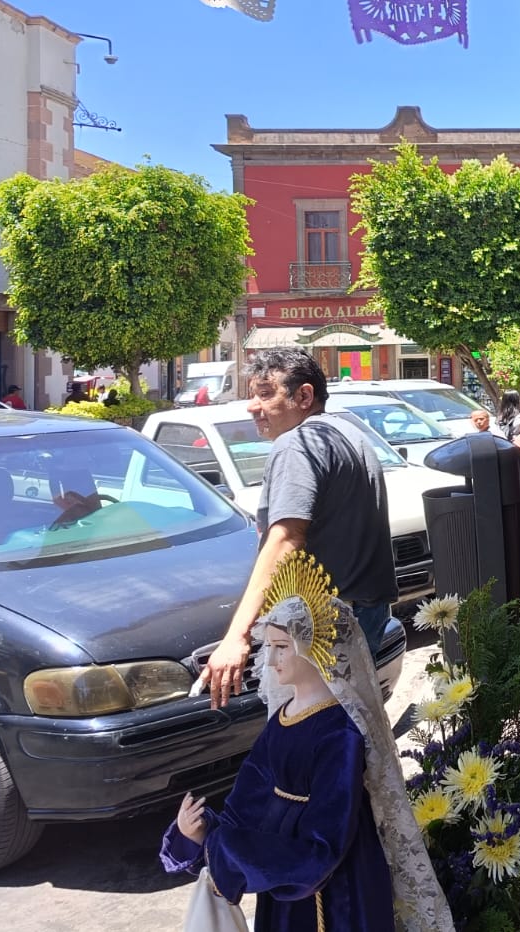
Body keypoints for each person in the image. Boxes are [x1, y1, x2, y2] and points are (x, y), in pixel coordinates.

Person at [161, 551, 451, 932]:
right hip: (282, 877)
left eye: (282, 647)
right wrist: (203, 834)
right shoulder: (283, 720)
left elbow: (324, 846)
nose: (271, 660)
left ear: (316, 649)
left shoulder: (339, 734)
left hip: (335, 887)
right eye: (270, 646)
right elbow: (248, 799)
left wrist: (234, 853)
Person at [199, 347, 397, 709]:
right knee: (346, 738)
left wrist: (237, 635)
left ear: (304, 396)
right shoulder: (349, 433)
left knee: (313, 741)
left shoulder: (299, 443)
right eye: (252, 395)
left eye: (264, 394)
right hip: (360, 613)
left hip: (324, 625)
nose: (252, 407)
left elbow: (286, 537)